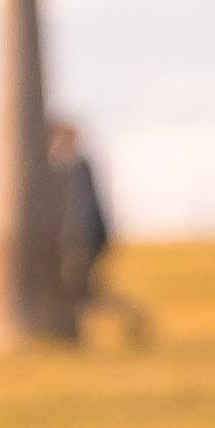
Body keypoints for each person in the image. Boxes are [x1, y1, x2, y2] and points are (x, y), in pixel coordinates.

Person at [49, 118, 153, 348]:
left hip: (82, 242)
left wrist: (72, 245)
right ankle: (131, 319)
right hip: (86, 240)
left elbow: (79, 213)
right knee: (82, 292)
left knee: (81, 293)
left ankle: (129, 320)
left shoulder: (74, 168)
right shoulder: (77, 166)